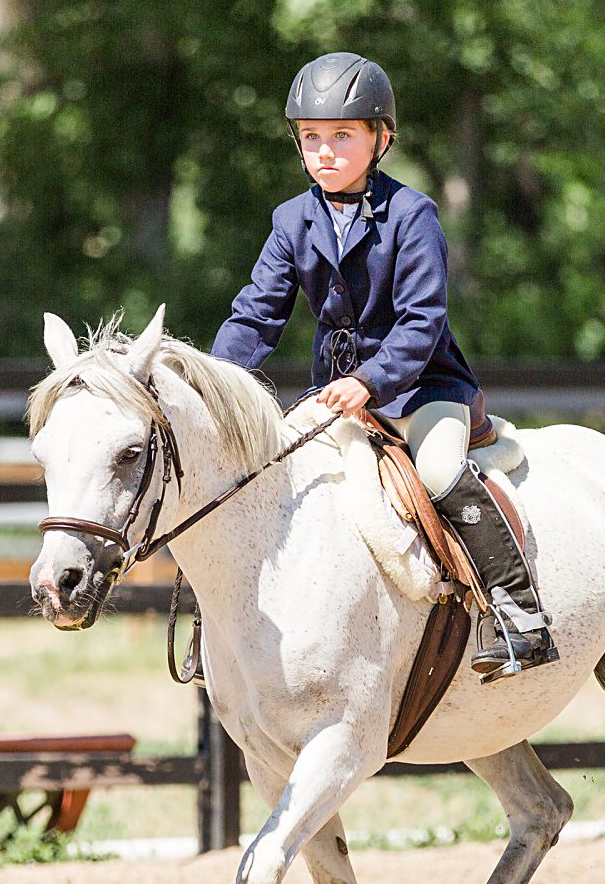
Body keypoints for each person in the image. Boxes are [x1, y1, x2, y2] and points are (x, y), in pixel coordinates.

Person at [209, 52, 557, 679]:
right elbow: (257, 316)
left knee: (442, 470)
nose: (324, 151)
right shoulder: (291, 221)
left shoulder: (413, 215)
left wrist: (369, 381)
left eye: (342, 135)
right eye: (311, 137)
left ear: (381, 138)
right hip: (336, 394)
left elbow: (422, 321)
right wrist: (211, 385)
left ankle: (520, 613)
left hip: (422, 388)